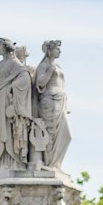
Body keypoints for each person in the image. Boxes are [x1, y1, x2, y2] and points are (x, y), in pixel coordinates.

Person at [0, 37, 33, 172]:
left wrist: (11, 88)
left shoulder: (14, 63)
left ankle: (10, 162)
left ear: (6, 46)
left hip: (6, 101)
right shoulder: (1, 64)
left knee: (6, 130)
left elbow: (25, 78)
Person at [34, 40, 71, 170]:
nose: (60, 51)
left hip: (60, 101)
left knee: (66, 134)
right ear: (50, 50)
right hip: (49, 101)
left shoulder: (58, 66)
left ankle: (56, 164)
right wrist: (50, 70)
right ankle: (49, 164)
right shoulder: (44, 66)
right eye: (57, 49)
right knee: (51, 134)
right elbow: (40, 83)